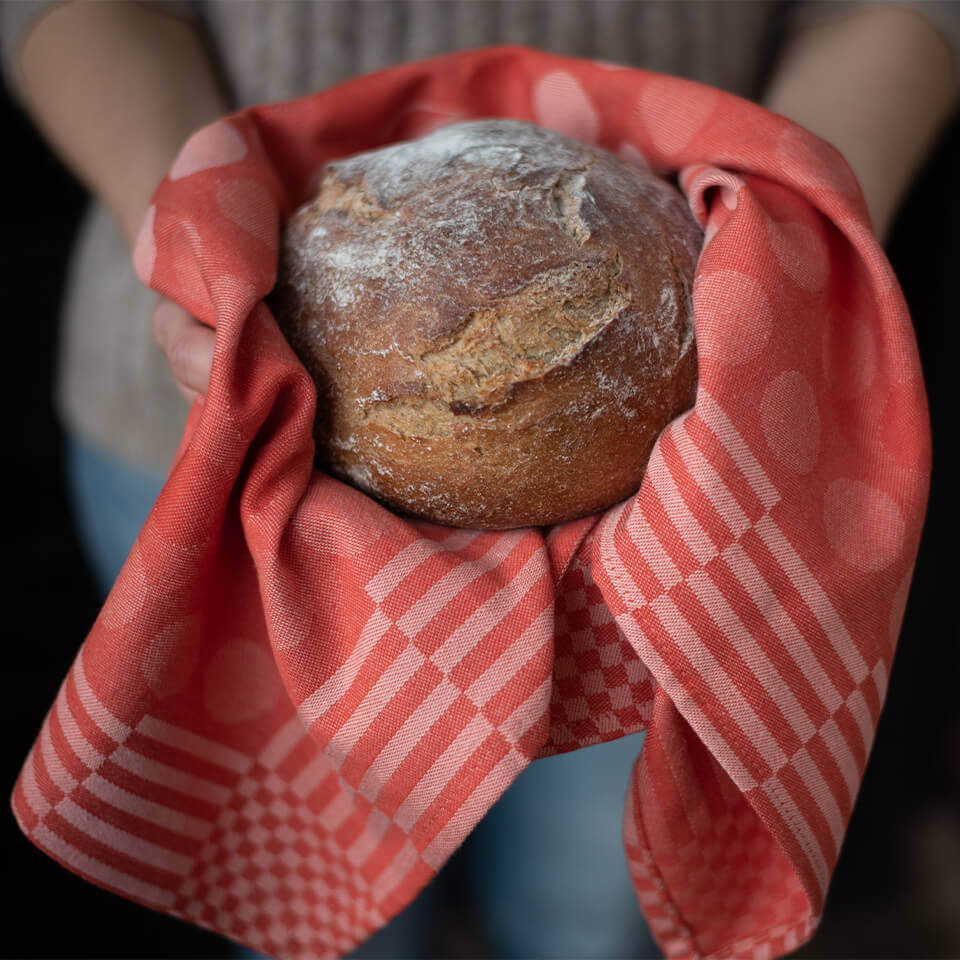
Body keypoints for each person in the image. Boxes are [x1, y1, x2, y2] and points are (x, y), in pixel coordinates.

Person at [2, 2, 957, 958]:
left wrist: (794, 236)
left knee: (586, 911)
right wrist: (191, 222)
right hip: (206, 454)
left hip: (676, 499)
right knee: (320, 909)